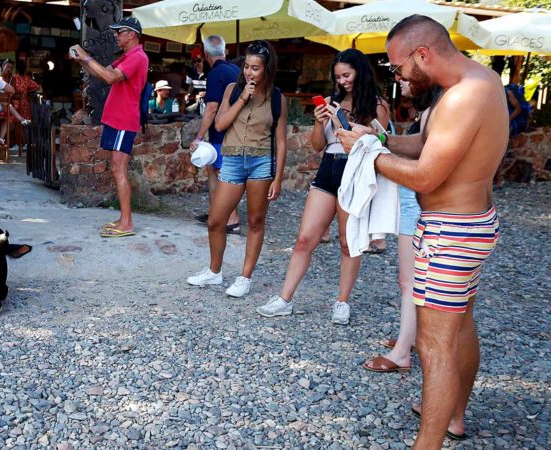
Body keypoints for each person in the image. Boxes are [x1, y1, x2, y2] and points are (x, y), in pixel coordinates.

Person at [337, 15, 506, 448]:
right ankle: (454, 416)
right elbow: (427, 146)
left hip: (451, 231)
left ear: (423, 55)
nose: (397, 76)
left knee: (434, 345)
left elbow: (427, 176)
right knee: (460, 328)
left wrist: (367, 156)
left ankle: (426, 444)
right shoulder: (473, 83)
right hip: (468, 226)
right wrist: (379, 140)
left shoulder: (463, 96)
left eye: (398, 67)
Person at [256, 48, 390, 325]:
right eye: (338, 76)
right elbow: (317, 145)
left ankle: (342, 302)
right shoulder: (330, 102)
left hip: (354, 172)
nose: (342, 81)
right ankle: (284, 299)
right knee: (305, 238)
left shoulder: (377, 105)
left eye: (347, 75)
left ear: (360, 72)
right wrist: (319, 122)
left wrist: (347, 122)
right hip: (328, 167)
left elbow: (382, 143)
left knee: (346, 241)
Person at [186, 40, 287, 298]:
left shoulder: (277, 98)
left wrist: (278, 177)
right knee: (215, 221)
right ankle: (214, 272)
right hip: (231, 161)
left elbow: (282, 142)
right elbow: (219, 125)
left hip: (261, 162)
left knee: (255, 221)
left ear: (267, 69)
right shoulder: (233, 89)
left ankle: (244, 277)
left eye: (255, 68)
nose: (249, 73)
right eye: (246, 67)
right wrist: (242, 99)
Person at [362, 81, 440, 374]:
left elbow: (422, 159)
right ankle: (411, 338)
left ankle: (402, 353)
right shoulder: (431, 112)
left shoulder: (435, 112)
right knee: (412, 280)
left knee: (410, 282)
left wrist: (377, 145)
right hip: (413, 204)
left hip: (416, 206)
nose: (400, 80)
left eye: (403, 74)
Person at [70, 17, 149, 238]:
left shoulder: (138, 57)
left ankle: (127, 223)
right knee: (117, 169)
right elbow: (101, 72)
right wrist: (83, 61)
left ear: (132, 34)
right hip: (117, 119)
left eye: (119, 31)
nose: (115, 35)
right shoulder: (128, 56)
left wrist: (85, 56)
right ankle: (124, 219)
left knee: (118, 168)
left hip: (124, 120)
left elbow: (110, 77)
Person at [190, 34, 241, 234]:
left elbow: (211, 109)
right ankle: (216, 213)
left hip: (221, 133)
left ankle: (232, 220)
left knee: (223, 175)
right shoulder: (236, 70)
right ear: (224, 50)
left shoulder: (215, 73)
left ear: (204, 54)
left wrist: (199, 137)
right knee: (214, 171)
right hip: (235, 131)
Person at [2, 59, 41, 151]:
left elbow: (10, 90)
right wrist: (27, 91)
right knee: (25, 124)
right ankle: (26, 143)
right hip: (25, 103)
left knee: (14, 123)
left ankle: (18, 143)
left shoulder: (14, 78)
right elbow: (37, 87)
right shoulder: (27, 78)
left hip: (15, 104)